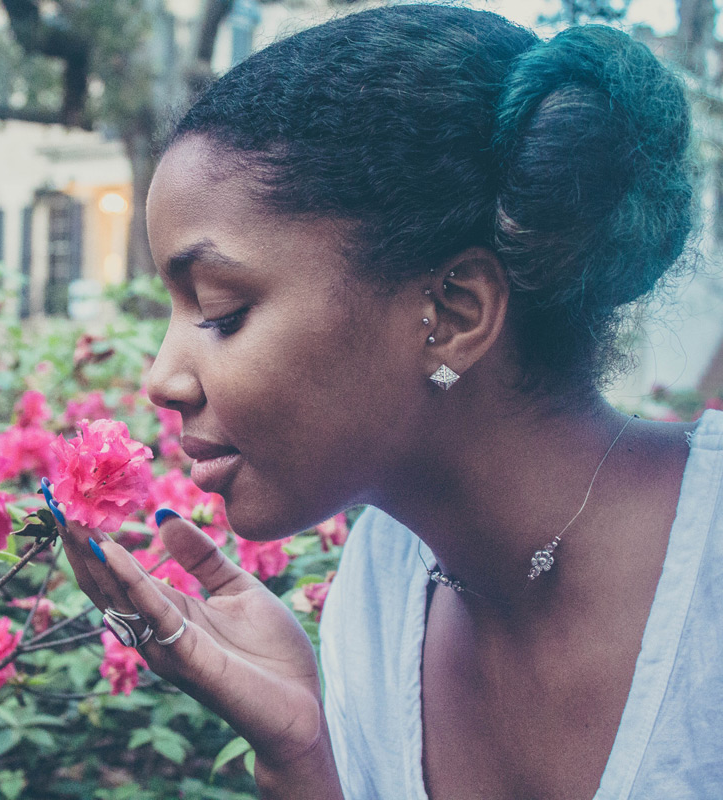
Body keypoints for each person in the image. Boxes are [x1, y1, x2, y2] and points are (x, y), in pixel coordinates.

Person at [56, 5, 723, 799]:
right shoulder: (382, 592)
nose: (162, 377)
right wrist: (299, 756)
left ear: (453, 312)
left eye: (222, 311)